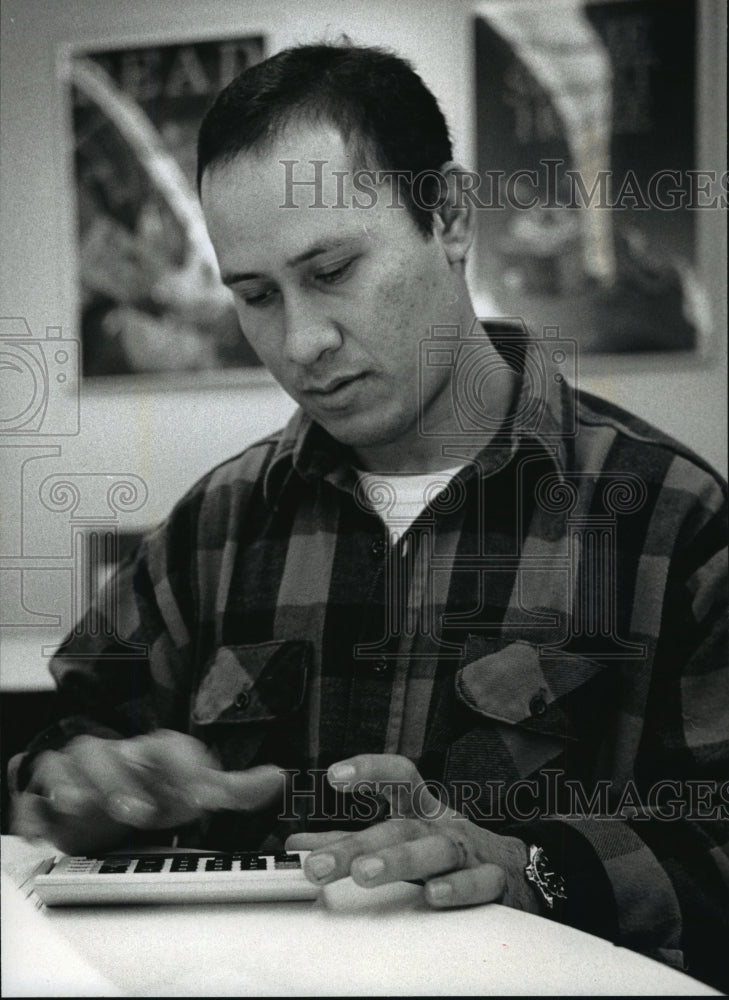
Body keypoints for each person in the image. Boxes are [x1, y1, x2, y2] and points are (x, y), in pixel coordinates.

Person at [9, 42, 728, 992]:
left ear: (450, 215)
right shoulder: (216, 527)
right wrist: (90, 788)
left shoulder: (669, 521)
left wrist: (531, 868)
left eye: (334, 270)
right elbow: (62, 754)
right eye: (256, 297)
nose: (301, 342)